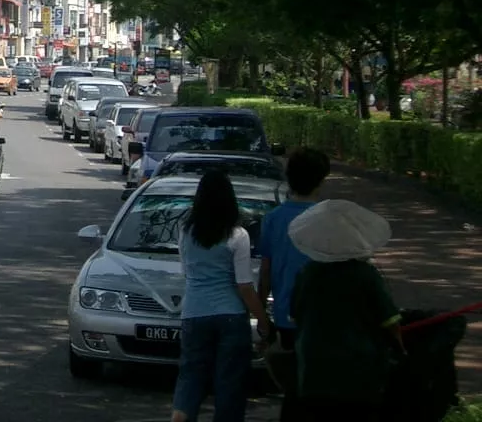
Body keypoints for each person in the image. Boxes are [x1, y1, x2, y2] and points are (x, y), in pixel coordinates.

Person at [288, 199, 403, 421]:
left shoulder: (308, 274)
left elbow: (295, 317)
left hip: (315, 370)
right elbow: (391, 322)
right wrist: (401, 350)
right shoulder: (366, 275)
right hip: (359, 372)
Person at [172, 170, 272, 422]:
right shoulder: (237, 235)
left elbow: (186, 273)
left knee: (191, 374)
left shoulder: (185, 231)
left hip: (194, 312)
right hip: (230, 316)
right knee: (230, 383)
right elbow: (244, 286)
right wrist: (262, 319)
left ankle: (181, 414)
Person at [257, 148, 331, 421]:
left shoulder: (274, 219)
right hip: (322, 317)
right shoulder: (328, 220)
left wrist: (262, 315)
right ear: (322, 180)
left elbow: (266, 272)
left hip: (285, 315)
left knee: (293, 389)